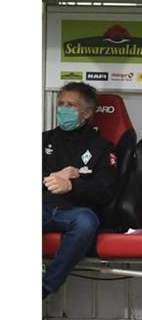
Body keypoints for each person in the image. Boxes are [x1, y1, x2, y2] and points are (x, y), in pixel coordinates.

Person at [43, 82, 117, 299]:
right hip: (43, 207)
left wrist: (74, 185)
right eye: (61, 104)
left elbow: (106, 190)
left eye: (70, 105)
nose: (63, 109)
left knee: (86, 222)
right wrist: (53, 178)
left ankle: (44, 289)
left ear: (86, 113)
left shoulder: (102, 147)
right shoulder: (42, 140)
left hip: (75, 211)